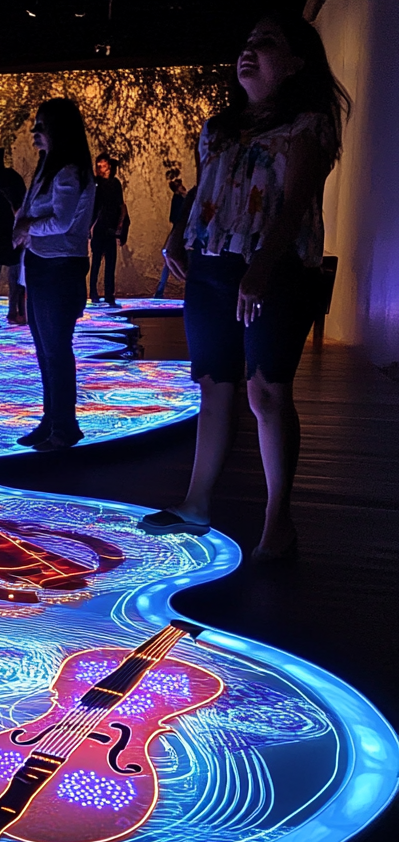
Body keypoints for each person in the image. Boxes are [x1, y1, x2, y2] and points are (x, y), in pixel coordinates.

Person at [139, 11, 349, 561]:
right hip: (210, 264)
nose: (249, 49)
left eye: (267, 42)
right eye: (248, 40)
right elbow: (202, 188)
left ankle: (278, 520)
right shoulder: (220, 126)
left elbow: (297, 198)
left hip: (274, 267)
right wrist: (177, 235)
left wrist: (263, 264)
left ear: (296, 62)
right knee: (214, 383)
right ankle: (197, 501)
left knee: (267, 390)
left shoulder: (310, 124)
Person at [13, 98, 96, 451]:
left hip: (58, 267)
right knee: (46, 349)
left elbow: (62, 222)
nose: (35, 132)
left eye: (42, 125)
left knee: (56, 349)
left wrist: (27, 227)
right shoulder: (52, 167)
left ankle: (63, 425)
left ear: (59, 129)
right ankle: (52, 421)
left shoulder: (68, 171)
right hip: (44, 265)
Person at [0, 147, 27, 327]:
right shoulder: (14, 177)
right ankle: (12, 312)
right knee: (13, 275)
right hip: (12, 230)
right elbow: (24, 203)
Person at [89, 153, 128, 306]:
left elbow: (121, 205)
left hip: (110, 227)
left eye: (103, 166)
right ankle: (93, 293)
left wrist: (120, 224)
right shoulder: (95, 183)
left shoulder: (114, 183)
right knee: (97, 262)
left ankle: (109, 294)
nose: (100, 169)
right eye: (98, 166)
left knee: (110, 263)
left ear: (109, 167)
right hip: (99, 227)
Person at [153, 177, 189, 298]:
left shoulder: (185, 198)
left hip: (183, 232)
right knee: (170, 260)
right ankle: (160, 291)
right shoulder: (179, 199)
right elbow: (175, 217)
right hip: (181, 233)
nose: (182, 187)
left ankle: (160, 290)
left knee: (171, 262)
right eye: (180, 185)